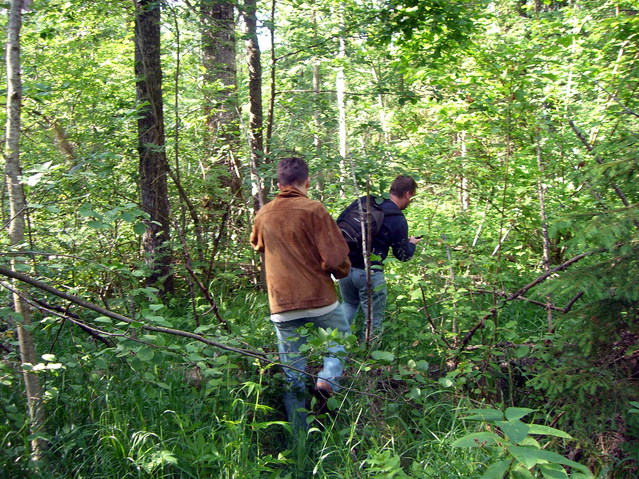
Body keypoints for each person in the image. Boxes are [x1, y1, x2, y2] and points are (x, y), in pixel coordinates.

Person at [250, 157, 351, 433]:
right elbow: (334, 258)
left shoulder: (264, 213)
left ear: (278, 184)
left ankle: (298, 439)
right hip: (319, 299)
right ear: (307, 182)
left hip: (281, 303)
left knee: (291, 369)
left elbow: (257, 243)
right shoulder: (314, 209)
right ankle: (327, 380)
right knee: (340, 339)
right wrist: (342, 271)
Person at [338, 175, 422, 340]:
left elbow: (339, 222)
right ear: (408, 194)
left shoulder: (366, 201)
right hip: (370, 273)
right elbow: (403, 255)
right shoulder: (397, 219)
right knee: (373, 319)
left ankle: (334, 350)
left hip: (345, 267)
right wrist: (411, 243)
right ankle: (368, 358)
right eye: (411, 197)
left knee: (348, 304)